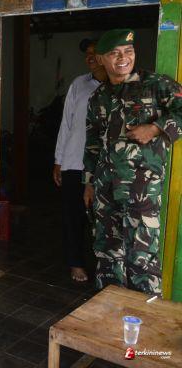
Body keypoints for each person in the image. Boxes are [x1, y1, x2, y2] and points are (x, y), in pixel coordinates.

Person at [83, 29, 182, 296]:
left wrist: (156, 128)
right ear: (101, 59)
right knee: (107, 252)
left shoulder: (155, 84)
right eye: (114, 53)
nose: (123, 58)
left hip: (142, 188)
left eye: (128, 52)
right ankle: (108, 309)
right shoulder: (98, 96)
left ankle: (144, 316)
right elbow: (92, 143)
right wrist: (89, 183)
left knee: (141, 256)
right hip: (105, 188)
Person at [53, 39, 107, 282]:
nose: (90, 57)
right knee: (73, 217)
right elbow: (66, 123)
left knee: (103, 219)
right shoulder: (79, 84)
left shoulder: (120, 85)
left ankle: (106, 266)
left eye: (96, 53)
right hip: (74, 162)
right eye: (87, 53)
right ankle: (75, 263)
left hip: (105, 166)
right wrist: (59, 160)